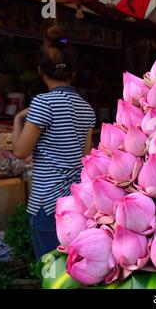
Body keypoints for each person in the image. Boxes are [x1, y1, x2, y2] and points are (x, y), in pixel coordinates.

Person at [12, 26, 96, 261]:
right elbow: (86, 156)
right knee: (74, 270)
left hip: (47, 203)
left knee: (50, 271)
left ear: (41, 71)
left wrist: (18, 118)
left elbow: (20, 151)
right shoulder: (86, 108)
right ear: (74, 73)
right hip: (77, 204)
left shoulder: (42, 103)